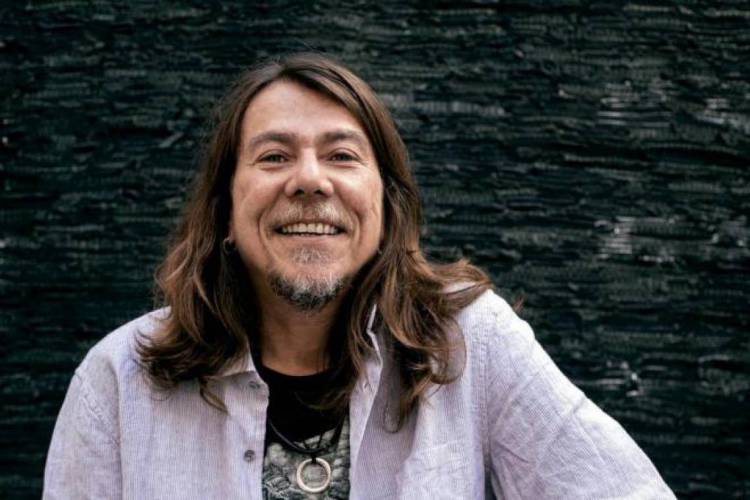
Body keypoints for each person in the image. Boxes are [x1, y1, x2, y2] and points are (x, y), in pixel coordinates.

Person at [43, 52, 675, 499]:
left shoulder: (470, 344)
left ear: (385, 210)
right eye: (274, 156)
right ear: (225, 214)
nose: (310, 180)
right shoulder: (120, 379)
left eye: (342, 155)